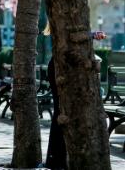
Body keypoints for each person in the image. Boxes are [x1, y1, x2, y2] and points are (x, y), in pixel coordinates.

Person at [44, 23, 106, 170]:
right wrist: (92, 35)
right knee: (61, 112)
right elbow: (71, 38)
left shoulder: (60, 18)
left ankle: (57, 159)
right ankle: (56, 159)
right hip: (60, 70)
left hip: (60, 68)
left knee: (62, 113)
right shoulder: (61, 21)